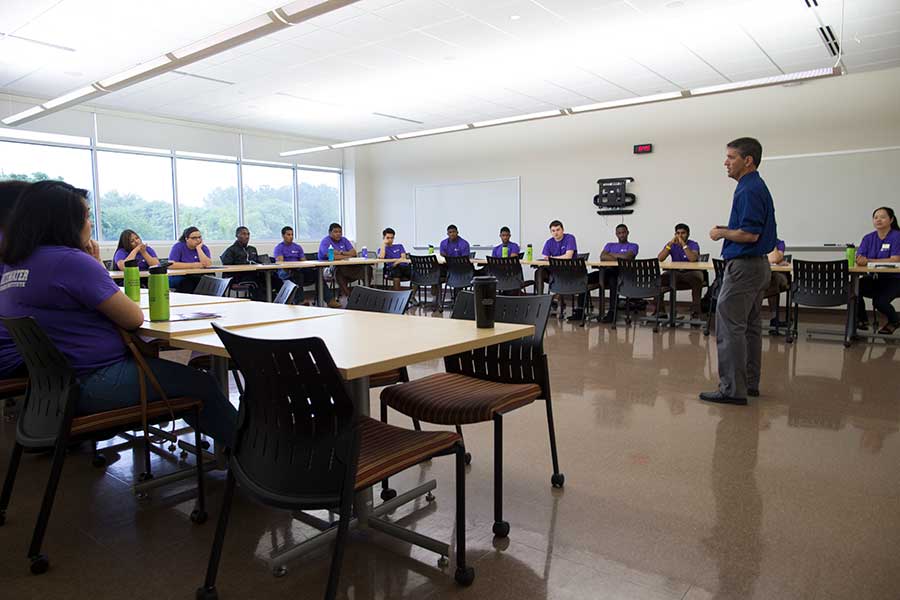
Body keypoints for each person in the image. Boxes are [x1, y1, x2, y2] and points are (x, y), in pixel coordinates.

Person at [0, 181, 236, 446]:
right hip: (94, 380)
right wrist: (90, 260)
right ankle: (247, 453)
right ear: (65, 221)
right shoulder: (69, 261)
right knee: (202, 385)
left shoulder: (17, 262)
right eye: (87, 215)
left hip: (50, 390)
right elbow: (133, 318)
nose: (90, 224)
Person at [700, 137, 777, 406]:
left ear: (748, 160)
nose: (726, 162)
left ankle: (732, 389)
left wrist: (721, 232)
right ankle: (749, 383)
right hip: (758, 267)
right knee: (750, 327)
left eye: (731, 157)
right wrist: (730, 231)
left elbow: (749, 234)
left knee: (730, 327)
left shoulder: (748, 189)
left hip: (745, 267)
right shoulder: (755, 186)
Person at [855, 206, 900, 334]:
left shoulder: (897, 236)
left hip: (895, 279)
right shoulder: (868, 238)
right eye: (875, 217)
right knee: (854, 289)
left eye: (882, 217)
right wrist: (861, 260)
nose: (878, 220)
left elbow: (895, 260)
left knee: (879, 301)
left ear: (891, 220)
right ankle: (862, 320)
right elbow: (860, 258)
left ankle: (894, 320)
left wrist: (868, 261)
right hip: (875, 278)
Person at [657, 223, 704, 319]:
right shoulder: (671, 245)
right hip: (675, 273)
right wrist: (669, 244)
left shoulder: (693, 244)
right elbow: (660, 258)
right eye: (677, 233)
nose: (680, 236)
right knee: (658, 281)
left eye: (683, 233)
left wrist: (683, 244)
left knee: (697, 280)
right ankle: (661, 312)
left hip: (690, 272)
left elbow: (692, 258)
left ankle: (696, 313)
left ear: (688, 234)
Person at [318, 222, 370, 306]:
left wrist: (340, 253)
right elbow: (331, 257)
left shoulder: (344, 240)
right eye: (335, 232)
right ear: (330, 233)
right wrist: (346, 255)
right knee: (339, 271)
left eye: (340, 232)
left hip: (346, 266)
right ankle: (350, 296)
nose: (338, 234)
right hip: (327, 268)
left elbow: (353, 253)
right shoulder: (325, 241)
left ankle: (366, 294)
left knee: (367, 268)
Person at [597, 224, 639, 323]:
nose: (621, 235)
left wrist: (610, 255)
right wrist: (620, 256)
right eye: (619, 233)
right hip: (606, 272)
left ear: (627, 232)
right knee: (586, 278)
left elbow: (627, 258)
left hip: (624, 275)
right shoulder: (610, 244)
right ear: (616, 234)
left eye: (623, 232)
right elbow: (602, 256)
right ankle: (580, 311)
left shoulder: (633, 246)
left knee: (613, 279)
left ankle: (612, 312)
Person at [272, 225, 316, 303]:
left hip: (297, 269)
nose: (291, 236)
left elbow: (303, 261)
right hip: (284, 271)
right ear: (283, 236)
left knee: (316, 274)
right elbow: (281, 263)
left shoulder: (297, 247)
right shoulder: (279, 248)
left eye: (292, 234)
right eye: (288, 235)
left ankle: (328, 299)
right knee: (297, 275)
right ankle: (300, 300)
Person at [220, 226, 265, 301]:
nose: (247, 237)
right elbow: (227, 267)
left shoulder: (252, 249)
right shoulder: (231, 250)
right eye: (244, 234)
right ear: (237, 236)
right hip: (238, 278)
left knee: (274, 279)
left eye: (248, 234)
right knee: (259, 283)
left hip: (253, 274)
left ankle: (278, 302)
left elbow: (257, 262)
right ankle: (262, 303)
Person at [535, 220, 577, 295]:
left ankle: (556, 298)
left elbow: (568, 256)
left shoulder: (570, 238)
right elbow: (545, 258)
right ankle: (540, 297)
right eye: (553, 231)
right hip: (554, 270)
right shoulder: (549, 242)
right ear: (551, 232)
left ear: (563, 230)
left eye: (558, 230)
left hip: (569, 271)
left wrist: (552, 258)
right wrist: (552, 259)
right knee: (539, 272)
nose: (556, 233)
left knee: (560, 274)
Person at [168, 226, 212, 292]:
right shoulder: (178, 247)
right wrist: (194, 265)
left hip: (197, 275)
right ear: (187, 239)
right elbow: (171, 265)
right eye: (194, 238)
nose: (198, 240)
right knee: (189, 283)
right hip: (180, 276)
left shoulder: (203, 248)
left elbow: (207, 264)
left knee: (211, 282)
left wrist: (199, 249)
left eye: (199, 237)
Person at [764, 239, 790, 328]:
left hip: (776, 276)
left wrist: (771, 242)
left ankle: (774, 317)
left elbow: (774, 259)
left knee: (773, 280)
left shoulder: (779, 243)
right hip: (759, 277)